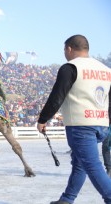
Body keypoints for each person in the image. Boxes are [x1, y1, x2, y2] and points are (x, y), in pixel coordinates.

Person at [36, 34, 111, 204]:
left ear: (69, 48)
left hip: (81, 124)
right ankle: (67, 199)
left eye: (64, 50)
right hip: (101, 124)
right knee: (80, 164)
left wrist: (43, 119)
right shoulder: (106, 70)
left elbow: (57, 97)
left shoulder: (70, 67)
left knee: (93, 167)